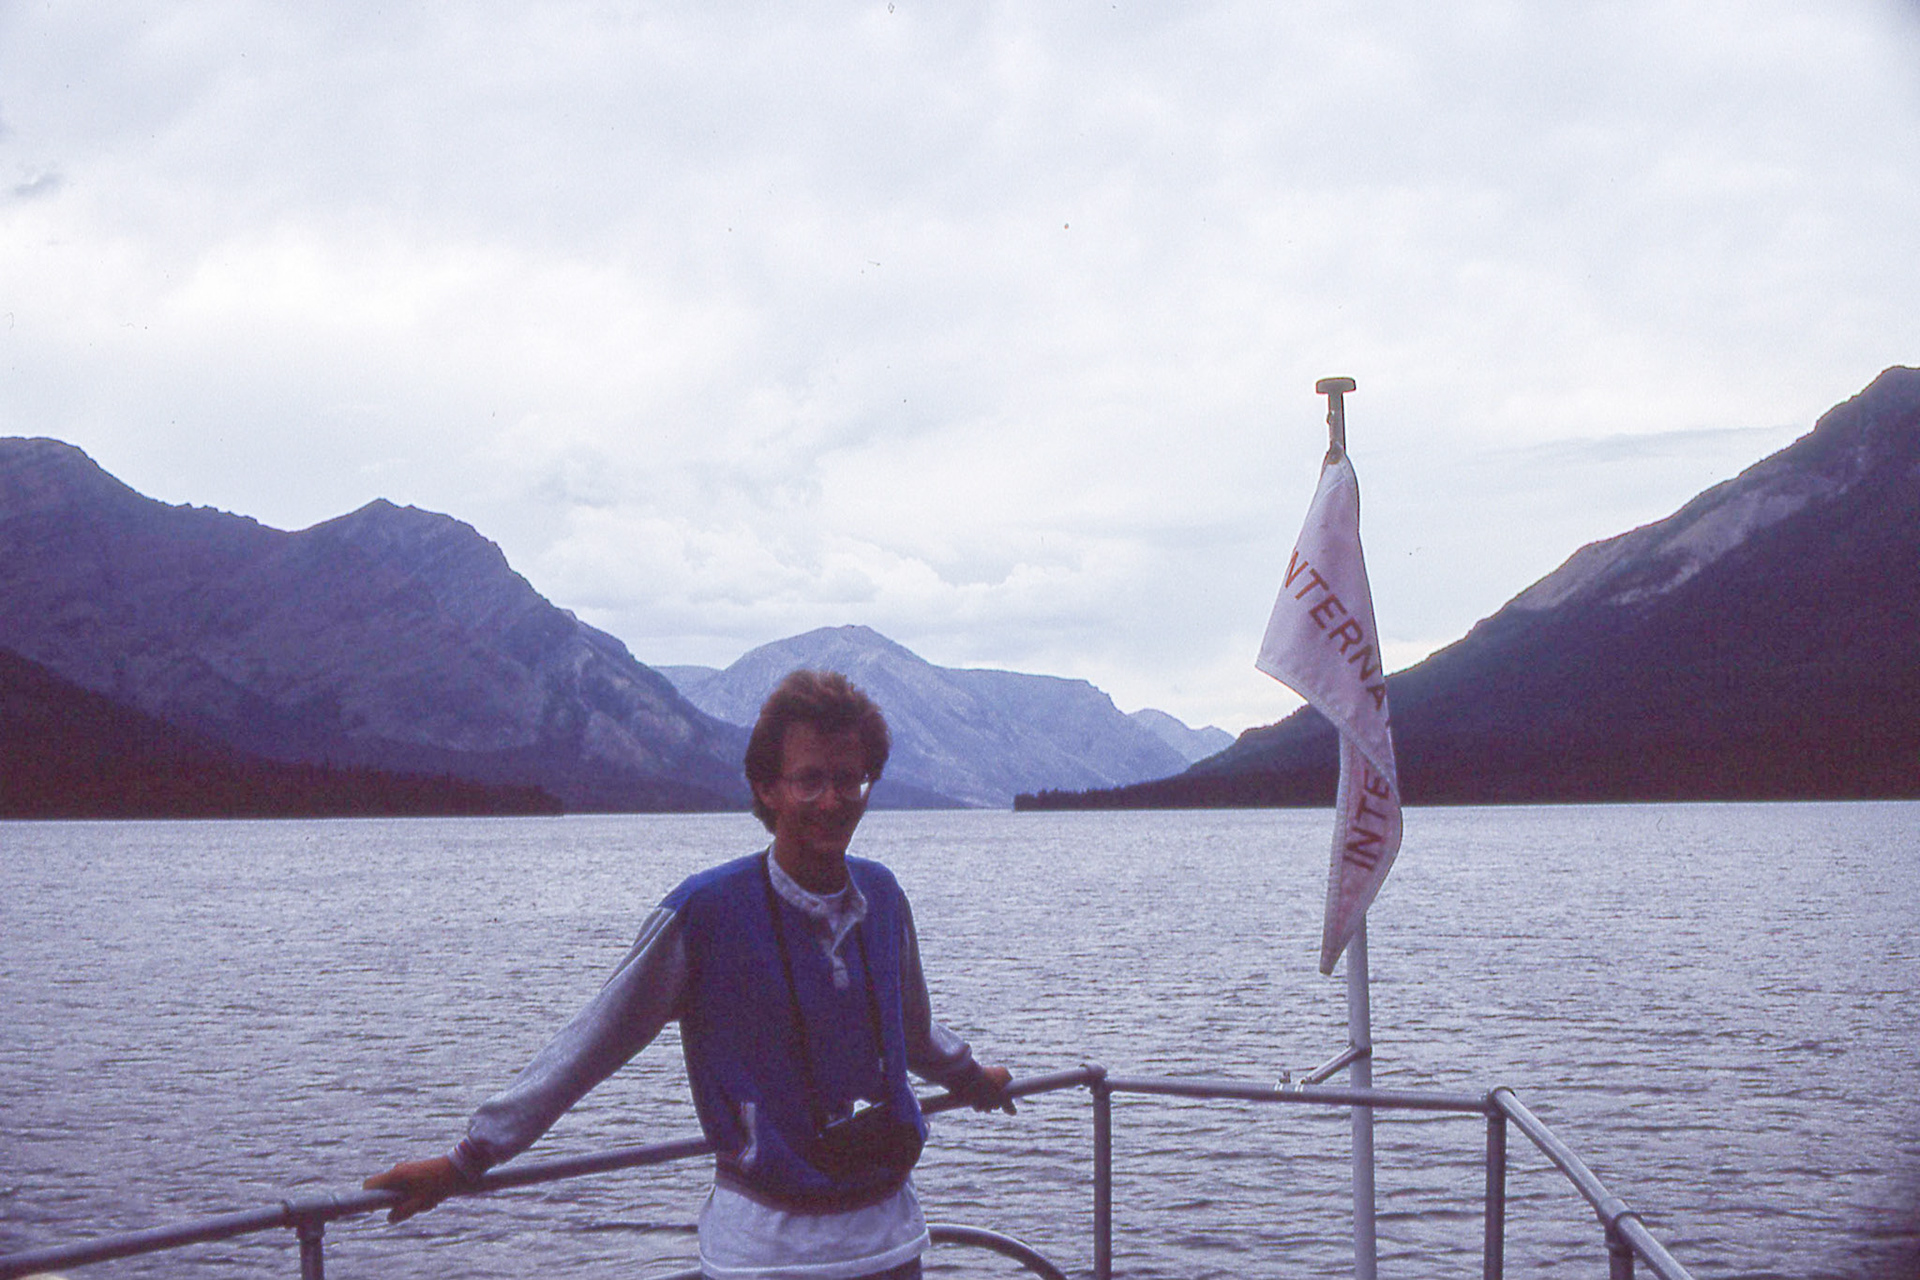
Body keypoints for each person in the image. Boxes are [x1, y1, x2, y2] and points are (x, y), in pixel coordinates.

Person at [364, 668, 1013, 1280]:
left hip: (889, 1243)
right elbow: (591, 1046)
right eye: (809, 779)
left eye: (850, 780)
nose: (832, 800)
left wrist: (971, 1078)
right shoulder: (706, 913)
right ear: (768, 788)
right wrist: (467, 1159)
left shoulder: (883, 894)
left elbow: (911, 1028)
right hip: (765, 1258)